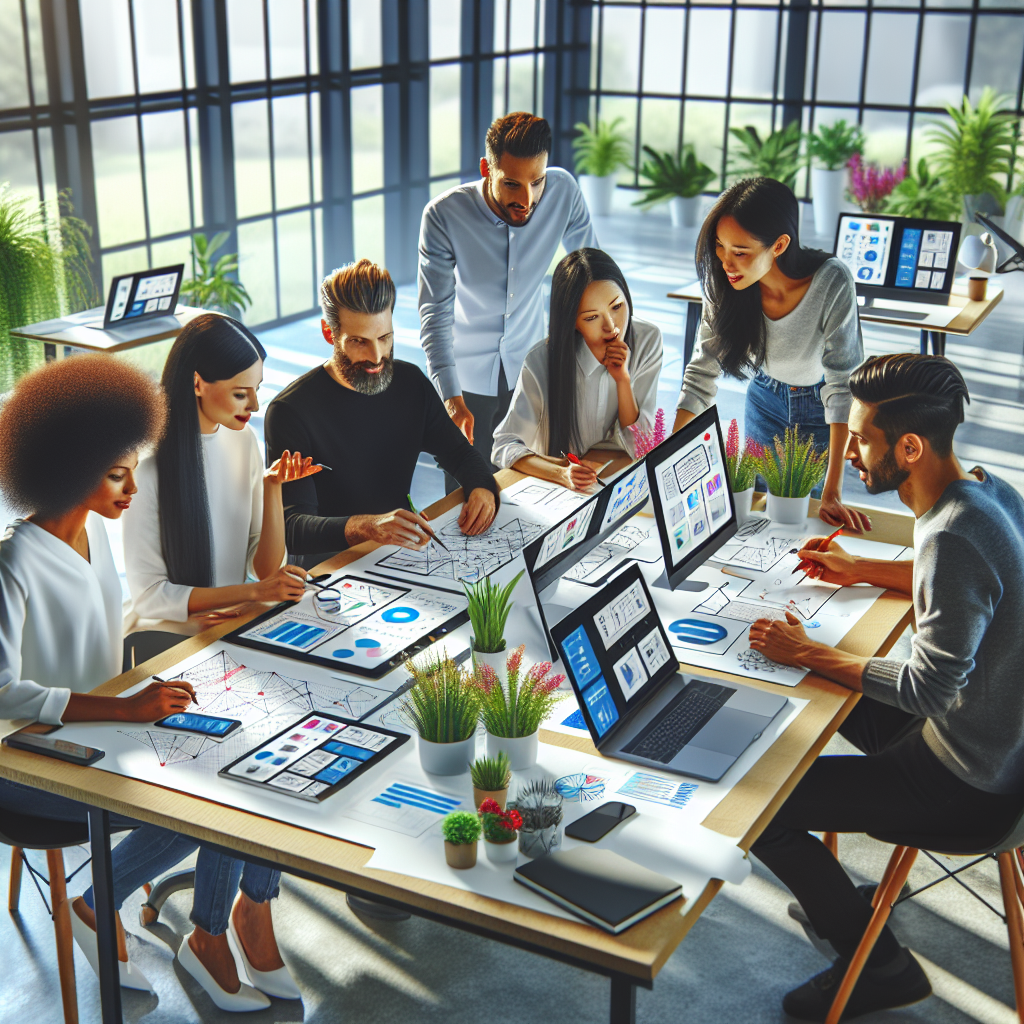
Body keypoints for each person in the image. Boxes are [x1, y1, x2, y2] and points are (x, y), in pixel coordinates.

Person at [0, 356, 286, 1010]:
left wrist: (195, 637)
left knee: (249, 749)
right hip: (28, 762)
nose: (131, 492)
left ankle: (117, 904)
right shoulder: (13, 564)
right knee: (214, 799)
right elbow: (3, 694)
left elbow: (98, 642)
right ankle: (118, 908)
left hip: (98, 728)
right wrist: (125, 710)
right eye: (117, 476)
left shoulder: (95, 536)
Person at [746, 354, 1024, 1022]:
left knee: (763, 810)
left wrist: (812, 650)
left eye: (863, 439)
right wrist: (860, 570)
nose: (852, 455)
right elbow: (978, 591)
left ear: (909, 446)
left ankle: (880, 967)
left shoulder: (951, 536)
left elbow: (927, 689)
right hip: (997, 744)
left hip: (966, 785)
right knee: (828, 684)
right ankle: (836, 896)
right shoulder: (989, 492)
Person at [265, 259, 501, 568]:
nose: (376, 357)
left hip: (399, 551)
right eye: (359, 342)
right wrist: (368, 527)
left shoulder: (411, 382)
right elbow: (293, 528)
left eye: (384, 338)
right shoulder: (290, 412)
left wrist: (482, 486)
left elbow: (458, 451)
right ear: (329, 333)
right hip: (330, 568)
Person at [673, 177, 870, 532]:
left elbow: (843, 389)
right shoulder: (724, 282)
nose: (725, 262)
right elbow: (701, 374)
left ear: (779, 245)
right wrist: (666, 462)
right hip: (765, 399)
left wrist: (834, 490)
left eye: (740, 252)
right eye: (719, 246)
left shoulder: (831, 281)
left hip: (820, 410)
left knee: (801, 518)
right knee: (758, 514)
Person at [418, 111, 598, 482]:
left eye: (537, 181)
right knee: (467, 494)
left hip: (532, 367)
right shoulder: (443, 215)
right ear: (487, 168)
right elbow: (434, 314)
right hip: (466, 380)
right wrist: (450, 398)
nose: (527, 199)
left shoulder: (563, 190)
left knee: (532, 484)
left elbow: (594, 275)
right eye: (512, 184)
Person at [124, 313, 318, 631]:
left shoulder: (243, 440)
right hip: (174, 633)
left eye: (256, 389)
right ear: (198, 384)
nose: (255, 406)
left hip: (233, 620)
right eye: (241, 394)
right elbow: (149, 596)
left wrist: (273, 486)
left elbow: (265, 570)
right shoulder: (147, 469)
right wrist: (252, 592)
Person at [492, 248, 664, 490]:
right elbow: (504, 445)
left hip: (618, 480)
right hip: (561, 489)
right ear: (571, 321)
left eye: (616, 307)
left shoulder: (647, 340)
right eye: (592, 318)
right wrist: (561, 472)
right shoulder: (541, 361)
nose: (612, 327)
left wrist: (623, 380)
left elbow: (641, 446)